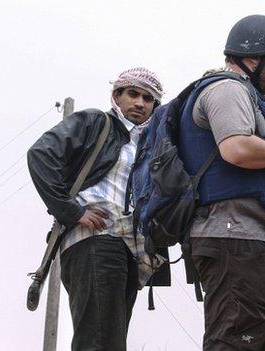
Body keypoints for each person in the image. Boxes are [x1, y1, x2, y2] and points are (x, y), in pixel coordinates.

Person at [179, 15, 265, 350]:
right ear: (253, 59)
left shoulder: (247, 96)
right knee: (236, 340)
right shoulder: (226, 89)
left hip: (257, 239)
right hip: (234, 236)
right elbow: (236, 148)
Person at [27, 67, 165, 350]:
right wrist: (72, 212)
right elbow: (41, 155)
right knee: (99, 342)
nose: (140, 102)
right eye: (133, 94)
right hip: (96, 239)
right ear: (117, 96)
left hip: (133, 249)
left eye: (148, 98)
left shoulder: (151, 145)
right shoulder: (95, 122)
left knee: (110, 341)